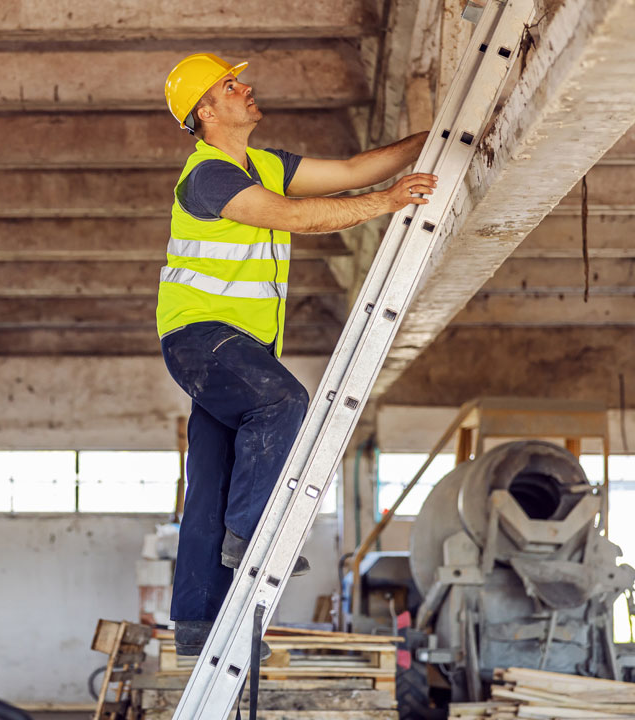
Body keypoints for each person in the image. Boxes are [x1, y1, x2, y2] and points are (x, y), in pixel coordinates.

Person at [157, 53, 437, 656]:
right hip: (201, 339)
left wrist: (436, 139)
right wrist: (387, 202)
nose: (246, 87)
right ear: (205, 112)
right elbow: (290, 216)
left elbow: (356, 168)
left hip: (233, 348)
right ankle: (253, 533)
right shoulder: (208, 175)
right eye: (231, 86)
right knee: (284, 400)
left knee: (211, 479)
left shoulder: (262, 164)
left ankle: (199, 622)